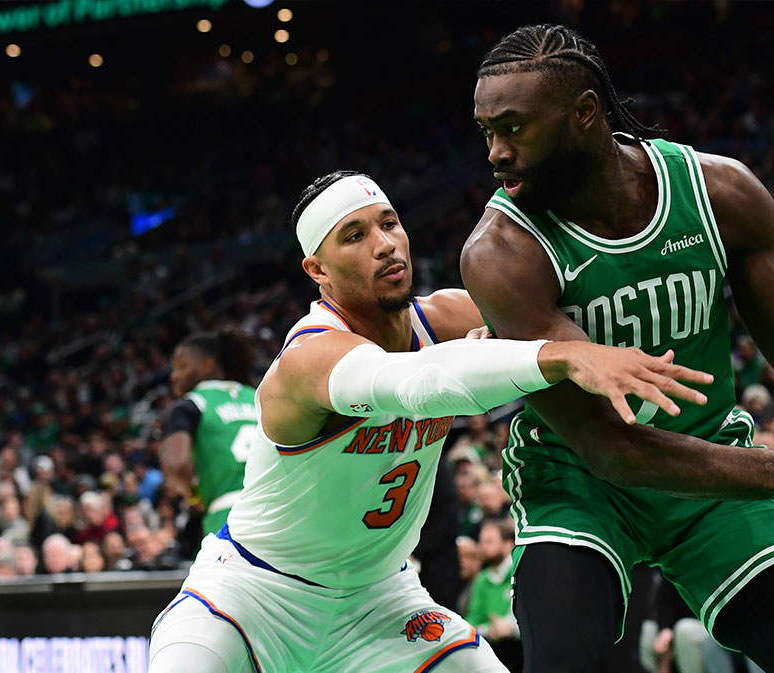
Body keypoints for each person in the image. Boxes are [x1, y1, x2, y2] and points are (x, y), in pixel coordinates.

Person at [461, 24, 774, 673]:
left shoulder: (719, 194)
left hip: (713, 470)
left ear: (584, 114)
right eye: (487, 130)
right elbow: (614, 448)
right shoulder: (502, 253)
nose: (495, 151)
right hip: (582, 483)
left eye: (514, 128)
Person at [147, 170, 714, 673]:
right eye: (355, 235)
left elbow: (576, 309)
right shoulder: (307, 359)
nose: (385, 244)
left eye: (389, 223)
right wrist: (561, 356)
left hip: (377, 600)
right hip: (249, 596)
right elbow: (415, 385)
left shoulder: (446, 316)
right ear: (315, 269)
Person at [160, 329, 259, 537]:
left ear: (207, 364)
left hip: (229, 514)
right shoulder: (258, 397)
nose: (174, 375)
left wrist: (194, 497)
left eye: (181, 367)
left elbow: (176, 466)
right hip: (283, 511)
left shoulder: (190, 405)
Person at [466, 519, 522, 672]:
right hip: (491, 649)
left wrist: (508, 627)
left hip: (520, 650)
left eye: (490, 542)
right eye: (481, 542)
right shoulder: (482, 579)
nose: (483, 547)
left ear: (508, 544)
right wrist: (491, 629)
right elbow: (473, 621)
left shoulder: (520, 572)